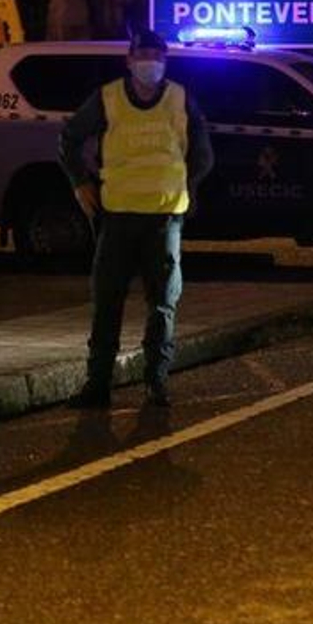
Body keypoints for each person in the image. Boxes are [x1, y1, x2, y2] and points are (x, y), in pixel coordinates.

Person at [58, 27, 214, 407]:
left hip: (163, 219)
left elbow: (203, 153)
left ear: (166, 61)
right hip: (119, 217)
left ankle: (156, 383)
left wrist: (187, 185)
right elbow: (69, 138)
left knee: (162, 304)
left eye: (157, 57)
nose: (150, 64)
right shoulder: (108, 98)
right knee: (108, 303)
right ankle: (99, 387)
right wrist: (80, 182)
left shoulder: (180, 99)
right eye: (143, 56)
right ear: (129, 61)